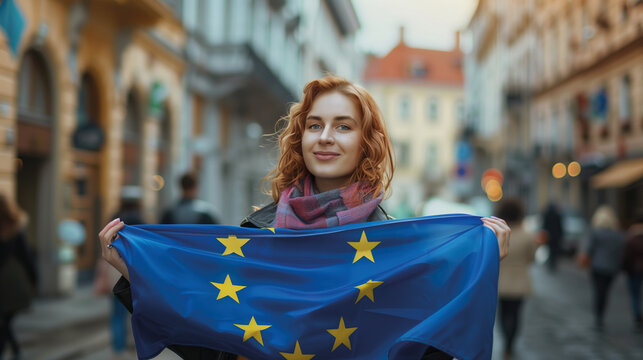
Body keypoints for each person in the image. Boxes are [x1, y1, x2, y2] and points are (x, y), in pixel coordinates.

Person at [99, 76, 511, 360]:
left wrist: (477, 265)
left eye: (343, 126)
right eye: (315, 125)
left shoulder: (400, 252)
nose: (325, 137)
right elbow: (213, 344)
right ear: (301, 138)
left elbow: (424, 349)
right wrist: (141, 276)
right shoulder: (256, 236)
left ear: (367, 143)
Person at [94, 186, 145, 357]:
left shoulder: (113, 219)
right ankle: (134, 345)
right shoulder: (140, 220)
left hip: (114, 270)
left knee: (116, 312)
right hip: (135, 271)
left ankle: (118, 348)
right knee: (136, 311)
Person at [495, 198, 542, 360]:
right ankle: (510, 343)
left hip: (500, 282)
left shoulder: (497, 233)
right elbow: (532, 259)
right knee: (515, 314)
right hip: (520, 282)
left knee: (502, 313)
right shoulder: (528, 235)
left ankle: (506, 341)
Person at [0, 194, 37, 360]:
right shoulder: (16, 228)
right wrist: (34, 280)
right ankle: (15, 351)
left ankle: (12, 351)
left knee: (3, 322)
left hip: (5, 284)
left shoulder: (16, 227)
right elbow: (26, 257)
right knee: (5, 320)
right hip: (12, 284)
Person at [578, 205, 625, 331]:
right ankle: (601, 314)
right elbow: (620, 251)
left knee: (599, 292)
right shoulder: (617, 234)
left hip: (597, 267)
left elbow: (588, 250)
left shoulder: (595, 233)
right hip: (611, 268)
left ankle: (599, 317)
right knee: (605, 292)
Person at [624, 215, 643, 332]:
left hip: (634, 270)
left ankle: (637, 315)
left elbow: (627, 256)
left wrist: (625, 267)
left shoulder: (631, 237)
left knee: (635, 294)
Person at [542, 202, 563, 272]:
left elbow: (544, 225)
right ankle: (553, 263)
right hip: (556, 236)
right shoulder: (557, 215)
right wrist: (561, 235)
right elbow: (560, 226)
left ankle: (550, 263)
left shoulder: (546, 215)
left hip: (549, 236)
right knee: (554, 250)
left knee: (550, 250)